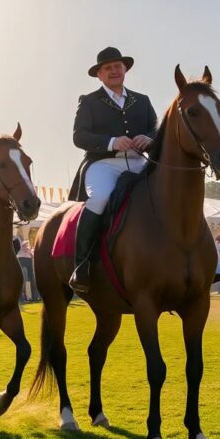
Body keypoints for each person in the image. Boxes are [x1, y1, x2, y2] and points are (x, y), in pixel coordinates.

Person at [67, 47, 158, 294]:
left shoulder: (143, 100)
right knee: (99, 198)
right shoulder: (89, 101)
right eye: (108, 68)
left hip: (139, 162)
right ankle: (82, 264)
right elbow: (79, 136)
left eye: (118, 65)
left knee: (174, 192)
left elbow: (156, 130)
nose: (114, 70)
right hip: (104, 164)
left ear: (125, 69)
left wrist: (149, 138)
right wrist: (111, 142)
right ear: (99, 74)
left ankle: (212, 262)